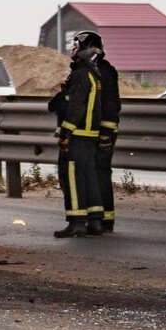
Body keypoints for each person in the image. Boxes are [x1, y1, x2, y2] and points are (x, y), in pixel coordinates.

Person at [47, 32, 106, 238]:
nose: (73, 48)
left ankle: (76, 223)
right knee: (89, 177)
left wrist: (65, 133)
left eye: (76, 45)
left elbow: (76, 106)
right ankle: (95, 221)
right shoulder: (93, 74)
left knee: (71, 178)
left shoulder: (81, 74)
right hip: (89, 137)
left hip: (77, 137)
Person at [80, 32, 122, 232]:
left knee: (100, 174)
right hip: (92, 132)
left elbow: (111, 105)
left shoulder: (104, 72)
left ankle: (105, 220)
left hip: (102, 132)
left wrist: (105, 134)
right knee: (94, 174)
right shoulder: (93, 71)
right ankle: (99, 218)